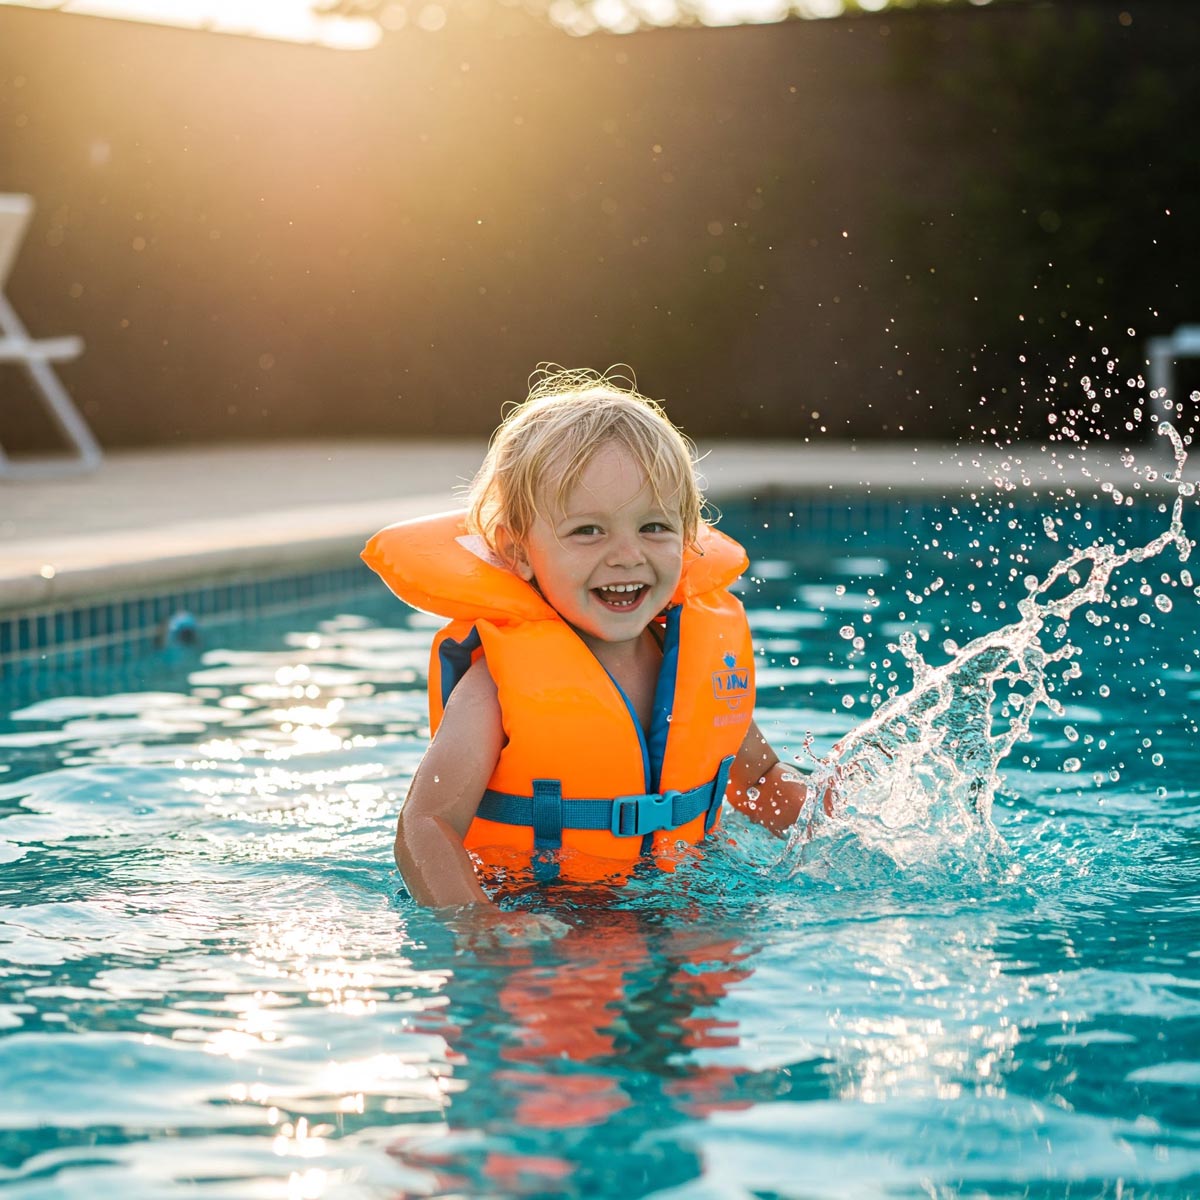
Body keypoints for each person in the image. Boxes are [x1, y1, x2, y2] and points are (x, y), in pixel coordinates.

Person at [363, 366, 833, 934]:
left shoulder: (690, 668)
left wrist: (831, 817)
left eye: (654, 527)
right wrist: (479, 923)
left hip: (680, 906)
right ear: (519, 553)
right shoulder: (495, 687)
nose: (627, 555)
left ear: (688, 538)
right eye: (589, 531)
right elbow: (426, 823)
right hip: (542, 914)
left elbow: (756, 781)